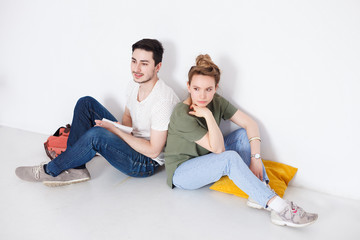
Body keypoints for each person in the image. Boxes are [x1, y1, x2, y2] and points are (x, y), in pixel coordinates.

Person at [164, 54, 318, 227]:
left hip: (207, 155)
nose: (202, 95)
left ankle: (258, 191)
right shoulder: (181, 115)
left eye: (208, 89)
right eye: (196, 88)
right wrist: (207, 115)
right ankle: (279, 208)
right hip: (183, 172)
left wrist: (256, 159)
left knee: (243, 135)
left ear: (216, 88)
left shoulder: (216, 101)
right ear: (188, 87)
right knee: (229, 158)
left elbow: (250, 124)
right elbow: (219, 151)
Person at [16, 38, 180, 186]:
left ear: (157, 67)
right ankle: (76, 168)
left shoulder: (162, 101)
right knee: (86, 103)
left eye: (144, 63)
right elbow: (128, 116)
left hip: (145, 162)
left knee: (97, 134)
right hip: (133, 142)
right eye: (134, 61)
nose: (136, 68)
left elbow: (154, 150)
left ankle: (49, 170)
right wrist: (122, 130)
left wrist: (116, 132)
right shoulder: (134, 84)